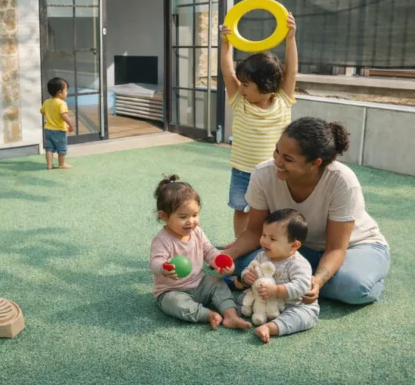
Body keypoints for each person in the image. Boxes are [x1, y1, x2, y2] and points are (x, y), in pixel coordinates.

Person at [226, 117, 389, 305]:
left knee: (353, 286)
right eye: (277, 151)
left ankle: (368, 275)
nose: (277, 161)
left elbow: (336, 248)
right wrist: (228, 255)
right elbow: (254, 231)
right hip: (297, 248)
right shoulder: (263, 173)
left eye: (288, 159)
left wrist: (318, 280)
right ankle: (297, 278)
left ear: (315, 163)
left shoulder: (342, 181)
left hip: (354, 246)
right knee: (240, 266)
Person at [220, 14, 298, 238]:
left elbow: (291, 71)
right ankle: (241, 242)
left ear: (265, 86)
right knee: (241, 208)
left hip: (275, 171)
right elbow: (227, 71)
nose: (241, 88)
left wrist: (290, 38)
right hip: (243, 171)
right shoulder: (239, 101)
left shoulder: (283, 100)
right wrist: (226, 43)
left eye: (246, 84)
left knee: (275, 212)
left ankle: (271, 242)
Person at [150, 175, 251, 330]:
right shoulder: (162, 240)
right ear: (163, 216)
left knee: (218, 283)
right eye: (183, 217)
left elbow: (209, 250)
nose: (191, 221)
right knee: (173, 303)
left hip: (199, 283)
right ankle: (206, 314)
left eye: (195, 215)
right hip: (172, 291)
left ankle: (231, 316)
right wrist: (164, 267)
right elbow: (155, 263)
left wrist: (221, 262)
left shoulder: (196, 232)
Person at [240, 209, 318, 343]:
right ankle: (232, 314)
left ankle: (270, 327)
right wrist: (246, 277)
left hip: (293, 305)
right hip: (263, 301)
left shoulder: (299, 264)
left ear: (294, 245)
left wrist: (277, 290)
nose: (264, 241)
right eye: (263, 235)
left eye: (272, 238)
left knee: (306, 316)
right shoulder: (262, 256)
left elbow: (302, 286)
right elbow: (249, 269)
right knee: (240, 299)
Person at [40, 77, 74, 170]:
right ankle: (61, 164)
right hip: (59, 130)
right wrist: (70, 124)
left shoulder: (47, 102)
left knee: (49, 148)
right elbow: (63, 115)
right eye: (66, 90)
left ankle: (49, 165)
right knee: (61, 148)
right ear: (60, 92)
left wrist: (50, 112)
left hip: (48, 129)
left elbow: (42, 111)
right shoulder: (61, 103)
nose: (66, 92)